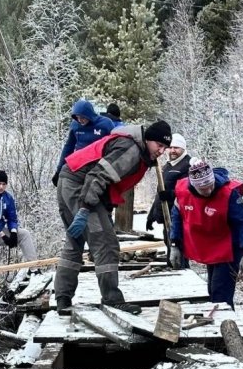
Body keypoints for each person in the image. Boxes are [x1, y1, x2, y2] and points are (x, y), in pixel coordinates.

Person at [54, 121, 173, 315]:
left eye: (165, 148)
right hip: (80, 186)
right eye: (159, 145)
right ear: (148, 139)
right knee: (106, 243)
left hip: (68, 181)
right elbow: (98, 176)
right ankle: (112, 299)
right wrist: (85, 209)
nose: (161, 151)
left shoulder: (137, 150)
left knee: (75, 240)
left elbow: (108, 184)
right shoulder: (132, 150)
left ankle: (63, 299)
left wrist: (104, 210)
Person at [169, 160, 243, 309]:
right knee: (212, 290)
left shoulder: (229, 194)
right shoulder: (183, 193)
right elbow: (177, 216)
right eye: (203, 189)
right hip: (208, 246)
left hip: (229, 248)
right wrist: (175, 243)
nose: (208, 191)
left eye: (210, 186)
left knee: (220, 295)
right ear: (194, 186)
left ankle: (227, 325)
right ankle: (221, 322)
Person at [146, 133, 192, 267]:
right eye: (170, 147)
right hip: (166, 217)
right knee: (169, 245)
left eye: (176, 148)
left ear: (183, 148)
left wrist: (171, 194)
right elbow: (160, 193)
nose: (172, 151)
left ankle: (181, 271)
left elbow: (190, 192)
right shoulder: (168, 166)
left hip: (179, 216)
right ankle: (173, 268)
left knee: (178, 247)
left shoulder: (187, 166)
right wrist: (151, 215)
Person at [52, 100, 116, 187]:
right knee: (66, 178)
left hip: (98, 164)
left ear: (89, 114)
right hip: (80, 163)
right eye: (77, 117)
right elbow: (68, 147)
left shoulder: (105, 123)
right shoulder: (75, 125)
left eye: (82, 117)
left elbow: (114, 144)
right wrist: (58, 170)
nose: (80, 120)